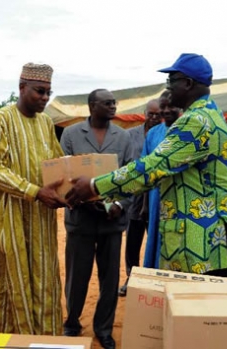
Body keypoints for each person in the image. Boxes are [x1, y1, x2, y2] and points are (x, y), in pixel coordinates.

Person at [66, 54, 227, 277]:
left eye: (170, 82)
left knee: (193, 307)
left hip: (202, 240)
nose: (168, 88)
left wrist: (95, 185)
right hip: (206, 234)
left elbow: (153, 167)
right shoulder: (209, 114)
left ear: (187, 83)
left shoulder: (196, 122)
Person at [0, 63, 66, 335]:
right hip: (10, 215)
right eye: (39, 91)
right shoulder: (1, 118)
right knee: (6, 278)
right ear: (22, 87)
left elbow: (57, 162)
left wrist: (73, 187)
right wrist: (34, 191)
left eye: (48, 93)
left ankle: (42, 337)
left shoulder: (45, 123)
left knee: (43, 275)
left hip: (41, 217)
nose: (44, 98)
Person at [61, 89, 134, 349]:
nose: (113, 106)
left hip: (111, 220)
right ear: (92, 106)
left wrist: (119, 204)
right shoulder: (70, 135)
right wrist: (78, 197)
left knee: (110, 278)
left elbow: (130, 177)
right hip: (80, 218)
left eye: (114, 102)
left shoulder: (123, 137)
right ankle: (72, 322)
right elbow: (63, 171)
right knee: (76, 276)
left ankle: (104, 329)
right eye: (107, 103)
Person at [118, 98, 162, 297]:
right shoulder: (129, 135)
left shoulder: (165, 135)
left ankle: (154, 279)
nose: (154, 118)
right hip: (134, 196)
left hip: (155, 197)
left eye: (158, 114)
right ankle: (131, 277)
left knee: (155, 238)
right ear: (145, 113)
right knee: (132, 241)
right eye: (150, 114)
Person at [141, 90, 181, 269]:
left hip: (179, 198)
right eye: (163, 106)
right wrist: (145, 205)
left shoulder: (187, 130)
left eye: (171, 106)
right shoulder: (153, 134)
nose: (166, 111)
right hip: (156, 197)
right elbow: (143, 168)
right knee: (156, 240)